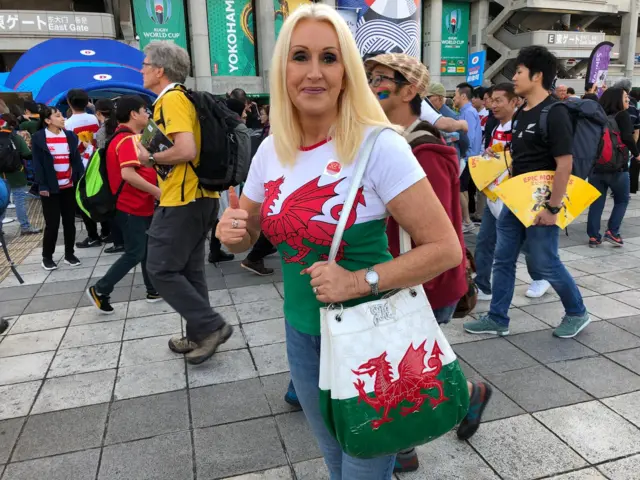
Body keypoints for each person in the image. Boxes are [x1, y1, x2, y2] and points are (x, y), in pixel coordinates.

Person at [217, 6, 486, 478]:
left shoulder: (379, 145)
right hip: (303, 333)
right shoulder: (271, 147)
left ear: (347, 72)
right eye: (300, 56)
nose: (314, 72)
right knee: (333, 457)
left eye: (330, 57)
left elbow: (445, 248)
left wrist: (359, 281)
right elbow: (250, 233)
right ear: (283, 68)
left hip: (370, 338)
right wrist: (232, 233)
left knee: (362, 466)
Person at [366, 52, 492, 474]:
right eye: (368, 76)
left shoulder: (424, 150)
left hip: (423, 282)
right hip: (394, 278)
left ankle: (466, 398)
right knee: (407, 360)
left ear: (409, 91)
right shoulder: (384, 139)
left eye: (380, 79)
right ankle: (407, 445)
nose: (370, 85)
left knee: (409, 364)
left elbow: (440, 235)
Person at [464, 46, 590, 339]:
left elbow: (565, 163)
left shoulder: (555, 112)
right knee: (503, 259)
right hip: (514, 201)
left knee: (545, 262)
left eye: (519, 71)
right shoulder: (522, 112)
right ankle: (498, 318)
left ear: (537, 75)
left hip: (542, 204)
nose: (515, 77)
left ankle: (577, 312)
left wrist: (553, 208)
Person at [136, 40, 233, 365]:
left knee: (160, 268)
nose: (142, 69)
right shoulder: (180, 99)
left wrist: (150, 157)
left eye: (146, 64)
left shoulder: (172, 100)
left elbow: (186, 150)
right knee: (191, 272)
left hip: (183, 198)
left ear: (159, 70)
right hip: (199, 198)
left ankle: (211, 326)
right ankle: (199, 335)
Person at [473, 83, 551, 301]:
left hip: (517, 194)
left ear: (514, 101)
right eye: (491, 100)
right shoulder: (494, 125)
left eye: (498, 101)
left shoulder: (521, 125)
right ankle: (482, 285)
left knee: (525, 242)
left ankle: (541, 276)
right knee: (485, 240)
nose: (493, 105)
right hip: (495, 192)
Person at [87, 96, 162, 313]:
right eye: (144, 110)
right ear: (133, 114)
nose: (148, 114)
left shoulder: (124, 137)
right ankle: (100, 289)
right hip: (132, 206)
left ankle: (152, 289)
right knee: (135, 252)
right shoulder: (128, 140)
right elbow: (128, 174)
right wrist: (158, 191)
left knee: (146, 248)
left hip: (136, 205)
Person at [32, 107, 83, 271]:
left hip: (69, 185)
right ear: (47, 120)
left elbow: (75, 159)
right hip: (50, 188)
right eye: (58, 116)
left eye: (61, 115)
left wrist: (79, 177)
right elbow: (38, 164)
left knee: (70, 222)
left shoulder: (70, 136)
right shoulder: (39, 137)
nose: (62, 118)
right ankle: (47, 257)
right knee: (52, 224)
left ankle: (70, 254)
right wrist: (43, 185)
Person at [586, 87, 636, 247]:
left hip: (596, 167)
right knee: (622, 200)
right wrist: (637, 154)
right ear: (617, 99)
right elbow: (628, 137)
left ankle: (593, 236)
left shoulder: (597, 116)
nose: (628, 99)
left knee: (597, 202)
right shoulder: (623, 115)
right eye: (625, 97)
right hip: (618, 167)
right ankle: (612, 232)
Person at [65, 88, 110, 249]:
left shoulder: (68, 123)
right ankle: (106, 231)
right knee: (99, 194)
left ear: (69, 102)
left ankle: (92, 235)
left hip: (80, 164)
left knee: (83, 199)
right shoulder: (93, 118)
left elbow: (70, 147)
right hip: (96, 160)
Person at [0, 114, 40, 235]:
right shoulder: (16, 138)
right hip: (16, 174)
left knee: (2, 202)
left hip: (1, 177)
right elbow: (27, 154)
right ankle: (25, 227)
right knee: (19, 201)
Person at [94, 98, 125, 254]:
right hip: (125, 170)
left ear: (99, 113)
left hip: (109, 173)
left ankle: (118, 241)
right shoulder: (120, 125)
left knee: (113, 208)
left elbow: (101, 154)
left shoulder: (101, 131)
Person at [455, 82, 482, 233]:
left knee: (460, 189)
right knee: (463, 189)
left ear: (463, 96)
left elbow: (468, 138)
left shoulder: (468, 112)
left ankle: (466, 221)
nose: (454, 98)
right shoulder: (469, 111)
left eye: (456, 95)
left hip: (467, 157)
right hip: (469, 157)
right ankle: (465, 220)